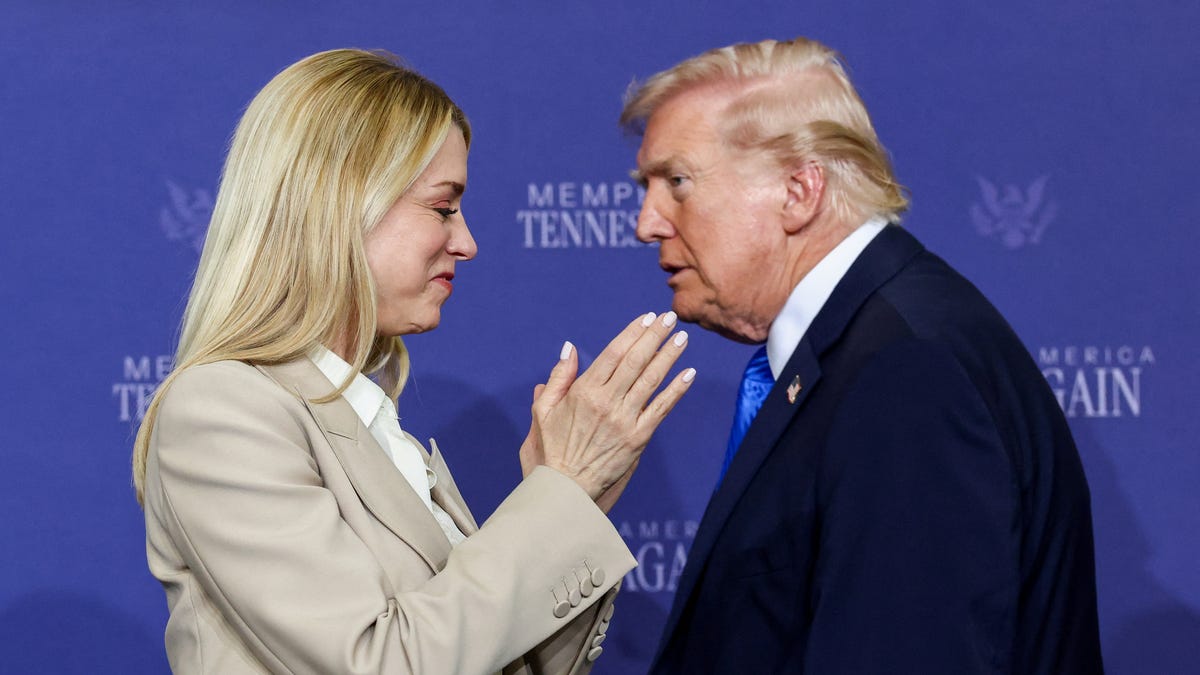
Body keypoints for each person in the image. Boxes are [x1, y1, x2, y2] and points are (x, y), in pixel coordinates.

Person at [132, 49, 695, 675]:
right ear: (340, 203)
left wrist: (564, 500)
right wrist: (558, 499)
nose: (467, 242)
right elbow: (378, 664)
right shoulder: (225, 410)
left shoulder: (372, 424)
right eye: (443, 207)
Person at [621, 37, 1104, 673]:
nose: (647, 222)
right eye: (647, 186)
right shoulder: (865, 349)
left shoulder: (907, 375)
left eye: (677, 182)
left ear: (799, 190)